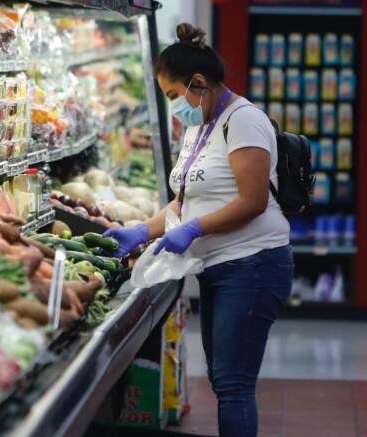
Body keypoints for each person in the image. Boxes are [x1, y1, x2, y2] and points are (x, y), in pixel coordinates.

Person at [104, 23, 293, 437]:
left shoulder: (243, 121)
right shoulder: (199, 126)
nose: (174, 106)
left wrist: (192, 229)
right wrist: (143, 229)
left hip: (254, 265)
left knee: (234, 385)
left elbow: (253, 201)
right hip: (220, 266)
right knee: (224, 381)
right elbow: (185, 198)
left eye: (173, 95)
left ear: (199, 83)